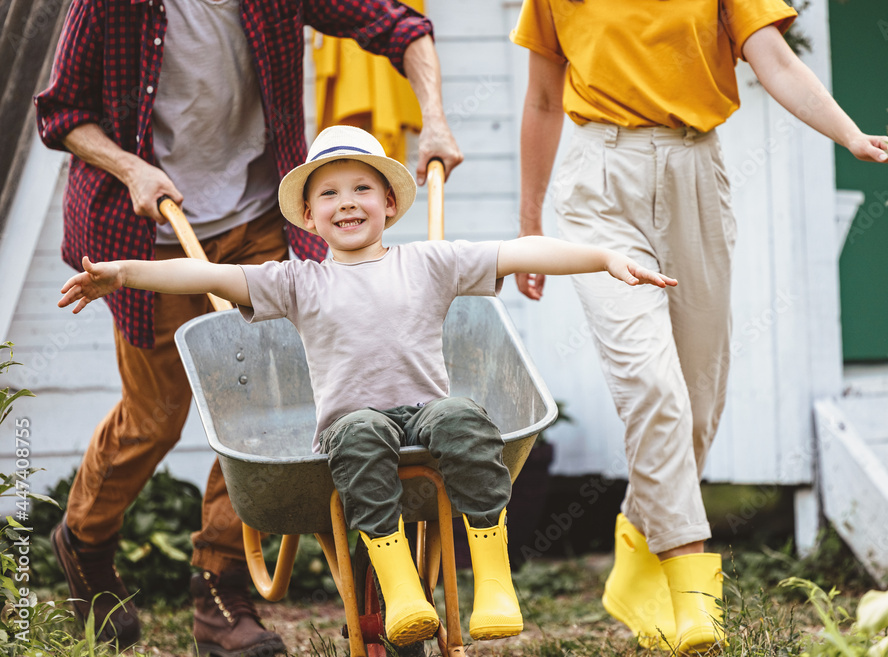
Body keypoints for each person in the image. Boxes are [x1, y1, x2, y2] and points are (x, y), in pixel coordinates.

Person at [57, 124, 678, 647]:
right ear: (309, 215)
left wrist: (601, 258)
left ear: (388, 204)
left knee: (465, 416)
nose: (346, 201)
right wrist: (122, 272)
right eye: (328, 192)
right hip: (357, 427)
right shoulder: (297, 281)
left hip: (426, 418)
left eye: (362, 188)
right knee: (356, 433)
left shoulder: (428, 263)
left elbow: (520, 253)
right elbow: (206, 271)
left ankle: (492, 578)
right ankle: (401, 587)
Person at [34, 1, 463, 653]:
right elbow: (61, 113)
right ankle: (84, 539)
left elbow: (401, 25)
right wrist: (131, 167)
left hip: (259, 218)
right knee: (157, 413)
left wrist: (433, 119)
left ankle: (219, 588)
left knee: (257, 408)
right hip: (149, 229)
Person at [509, 1, 888, 653]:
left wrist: (848, 133)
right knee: (651, 384)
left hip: (695, 170)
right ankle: (693, 589)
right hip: (600, 182)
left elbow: (775, 59)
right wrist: (530, 228)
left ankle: (639, 543)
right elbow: (544, 100)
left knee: (697, 400)